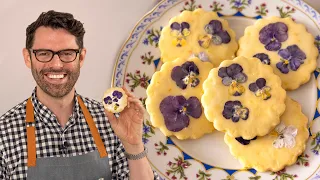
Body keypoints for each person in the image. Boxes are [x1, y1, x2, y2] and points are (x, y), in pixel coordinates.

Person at [0, 10, 159, 180]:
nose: (56, 64)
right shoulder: (3, 135)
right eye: (44, 53)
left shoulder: (112, 123)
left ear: (81, 57)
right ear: (28, 58)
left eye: (67, 53)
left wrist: (134, 145)